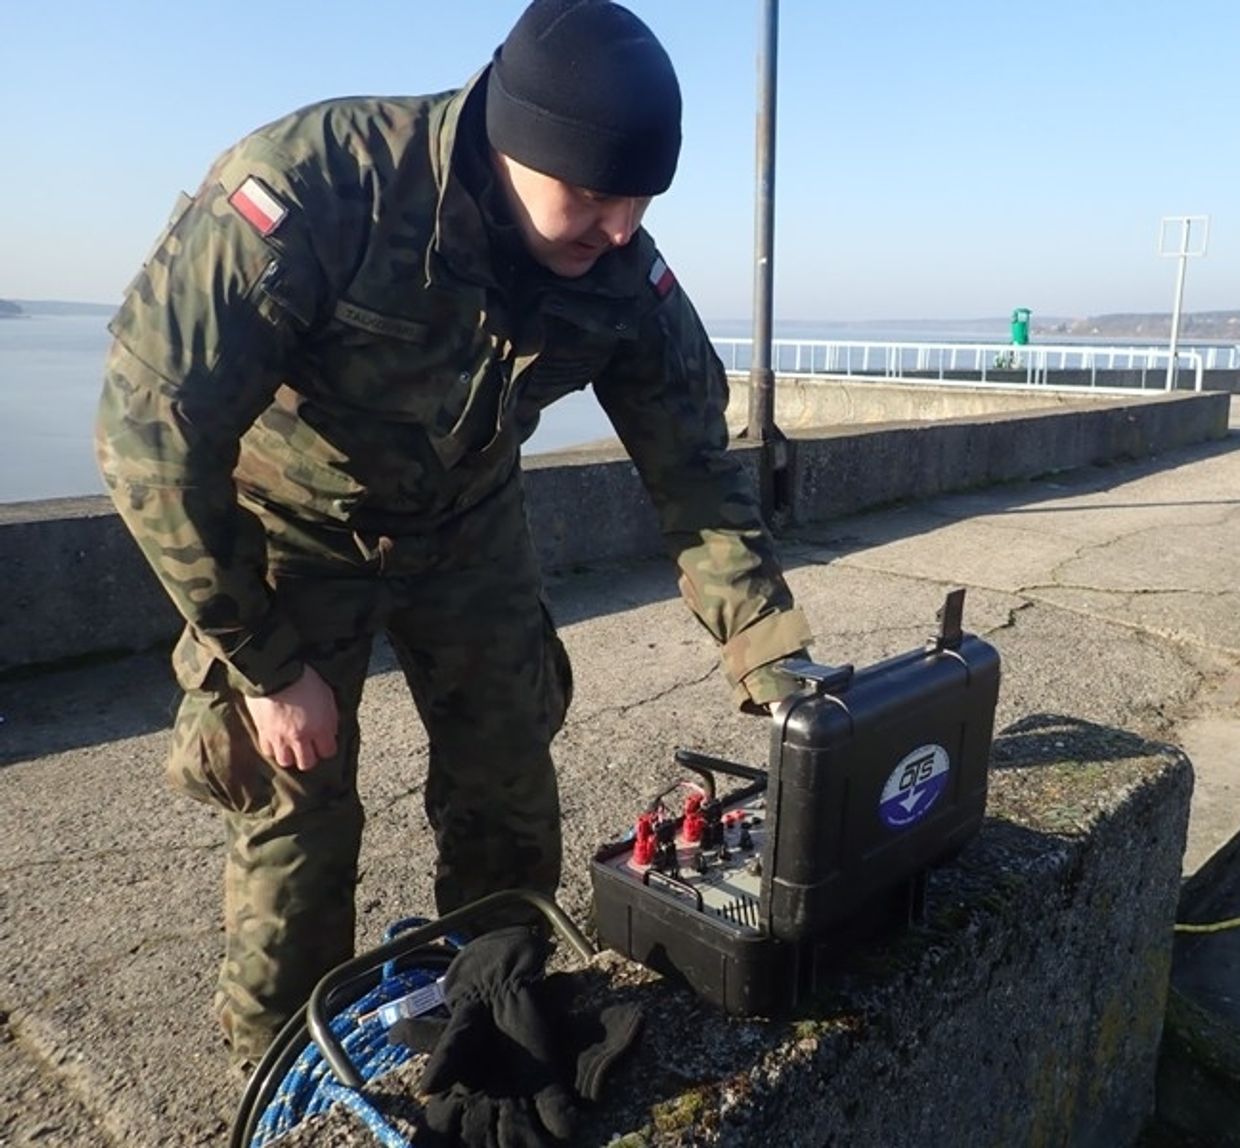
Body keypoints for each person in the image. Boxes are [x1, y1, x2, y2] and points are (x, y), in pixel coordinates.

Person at [95, 0, 811, 1075]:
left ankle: (495, 1002)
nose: (622, 228)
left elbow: (696, 468)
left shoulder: (618, 266)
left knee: (507, 772)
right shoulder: (316, 188)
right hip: (292, 527)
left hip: (466, 520)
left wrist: (774, 660)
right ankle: (287, 1073)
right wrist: (265, 664)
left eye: (642, 200)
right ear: (517, 145)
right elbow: (150, 436)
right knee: (296, 805)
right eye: (596, 196)